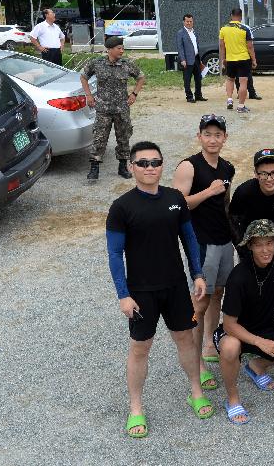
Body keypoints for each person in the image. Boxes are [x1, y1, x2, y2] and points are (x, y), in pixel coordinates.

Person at [106, 141, 213, 437]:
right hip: (141, 292)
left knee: (185, 340)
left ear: (163, 165)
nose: (150, 168)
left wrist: (198, 274)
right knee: (141, 348)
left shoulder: (175, 198)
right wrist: (123, 295)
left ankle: (195, 390)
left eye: (155, 162)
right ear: (131, 167)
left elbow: (189, 239)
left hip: (176, 286)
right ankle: (136, 409)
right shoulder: (121, 207)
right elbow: (114, 255)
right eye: (142, 163)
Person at [213, 220, 274, 423]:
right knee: (231, 347)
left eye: (269, 243)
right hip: (235, 332)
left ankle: (256, 365)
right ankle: (232, 399)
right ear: (249, 246)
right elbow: (229, 324)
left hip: (265, 329)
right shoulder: (238, 276)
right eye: (259, 244)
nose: (266, 249)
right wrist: (259, 342)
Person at [172, 114, 236, 386]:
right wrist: (208, 192)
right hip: (202, 241)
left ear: (224, 138)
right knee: (200, 300)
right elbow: (177, 205)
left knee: (218, 293)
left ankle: (210, 343)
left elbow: (226, 204)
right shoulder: (189, 166)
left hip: (224, 240)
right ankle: (196, 360)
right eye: (207, 134)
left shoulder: (227, 167)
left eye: (217, 134)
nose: (213, 139)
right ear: (199, 136)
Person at [81, 36, 144, 181]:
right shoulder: (97, 63)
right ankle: (94, 168)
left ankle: (122, 167)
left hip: (122, 108)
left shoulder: (127, 64)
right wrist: (89, 95)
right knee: (99, 138)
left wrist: (134, 93)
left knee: (123, 137)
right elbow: (83, 77)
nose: (122, 51)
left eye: (122, 48)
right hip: (103, 108)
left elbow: (141, 77)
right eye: (119, 48)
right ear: (109, 50)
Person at [229, 149, 274, 249]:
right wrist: (241, 248)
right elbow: (232, 222)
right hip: (251, 239)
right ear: (256, 174)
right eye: (263, 173)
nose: (269, 179)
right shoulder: (243, 192)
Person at [219, 8, 255, 114]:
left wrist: (222, 59)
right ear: (241, 16)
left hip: (230, 59)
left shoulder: (223, 29)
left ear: (231, 16)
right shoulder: (245, 29)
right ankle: (240, 106)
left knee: (230, 79)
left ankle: (229, 99)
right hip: (243, 59)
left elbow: (222, 46)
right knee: (243, 82)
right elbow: (250, 47)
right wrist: (254, 59)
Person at [176, 14, 206, 103]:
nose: (189, 23)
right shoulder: (180, 33)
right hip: (187, 60)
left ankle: (198, 95)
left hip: (196, 58)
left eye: (190, 21)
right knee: (187, 79)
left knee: (198, 78)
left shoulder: (194, 32)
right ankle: (189, 97)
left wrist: (199, 58)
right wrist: (182, 60)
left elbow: (195, 46)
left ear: (193, 22)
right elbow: (180, 47)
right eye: (187, 21)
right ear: (183, 22)